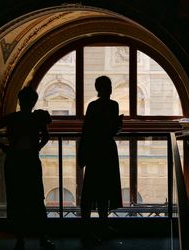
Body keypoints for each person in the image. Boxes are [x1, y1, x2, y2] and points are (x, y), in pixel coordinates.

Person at [0, 86, 54, 250]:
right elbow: (46, 136)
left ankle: (20, 239)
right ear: (33, 102)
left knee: (17, 200)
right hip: (31, 160)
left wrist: (5, 148)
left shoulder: (13, 118)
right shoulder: (37, 118)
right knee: (37, 199)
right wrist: (37, 147)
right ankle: (42, 237)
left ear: (20, 101)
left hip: (14, 160)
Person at [78, 76, 123, 247]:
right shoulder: (113, 105)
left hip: (95, 151)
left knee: (91, 191)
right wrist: (118, 124)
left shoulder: (93, 106)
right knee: (104, 191)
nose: (110, 88)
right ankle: (102, 226)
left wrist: (83, 154)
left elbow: (87, 130)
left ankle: (87, 230)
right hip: (107, 151)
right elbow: (111, 130)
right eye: (108, 86)